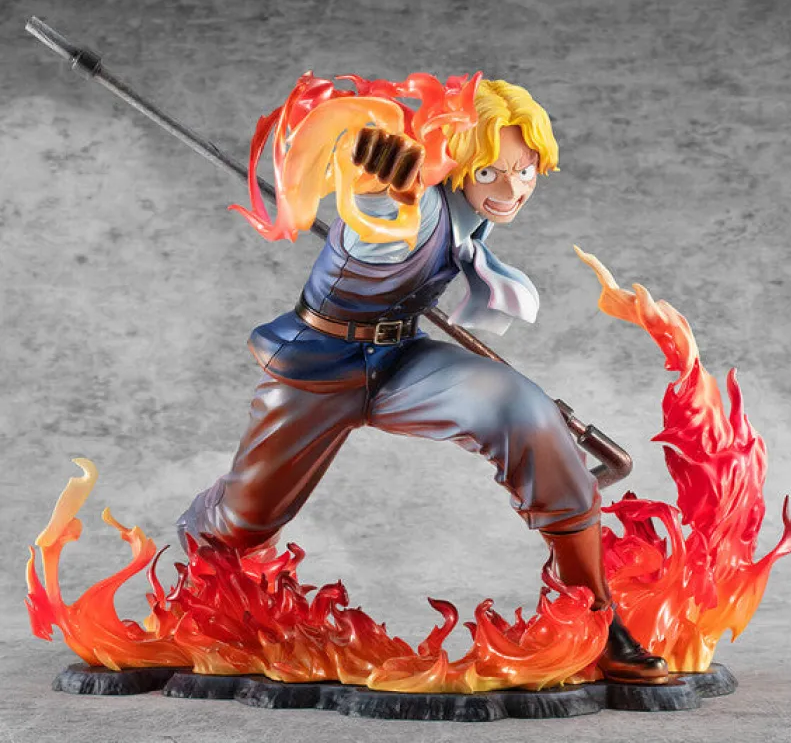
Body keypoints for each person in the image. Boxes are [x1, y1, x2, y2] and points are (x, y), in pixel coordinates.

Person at [176, 75, 669, 684]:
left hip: (399, 360)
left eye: (524, 171)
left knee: (524, 411)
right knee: (244, 521)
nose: (510, 189)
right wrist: (375, 181)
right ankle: (201, 580)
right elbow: (382, 209)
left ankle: (596, 621)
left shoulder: (472, 215)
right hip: (319, 368)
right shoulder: (413, 203)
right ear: (455, 161)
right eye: (489, 172)